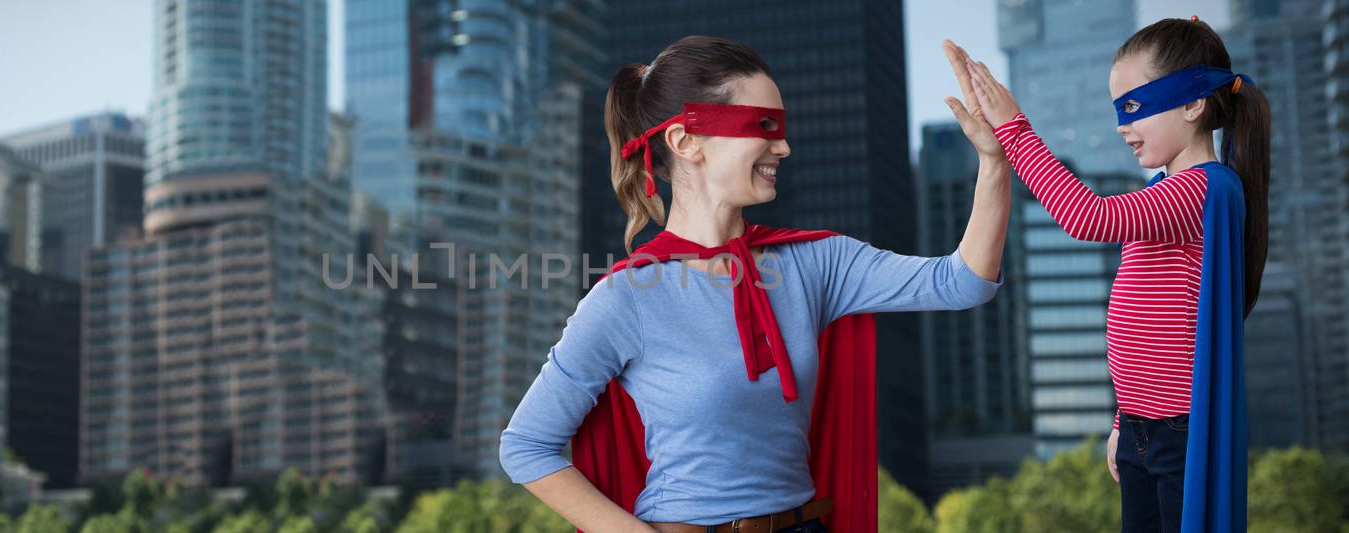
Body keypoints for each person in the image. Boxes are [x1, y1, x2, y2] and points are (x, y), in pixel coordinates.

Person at [497, 35, 1010, 533]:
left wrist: (993, 162)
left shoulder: (816, 261)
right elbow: (524, 445)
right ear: (685, 141)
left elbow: (962, 282)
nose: (783, 146)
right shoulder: (626, 298)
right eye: (763, 125)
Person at [946, 15, 1270, 533]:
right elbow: (1145, 325)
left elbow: (1087, 216)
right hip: (1145, 426)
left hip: (1180, 433)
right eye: (1119, 109)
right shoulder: (1166, 193)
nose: (1123, 125)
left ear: (1193, 103)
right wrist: (1124, 420)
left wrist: (1014, 130)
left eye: (1135, 107)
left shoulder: (1204, 189)